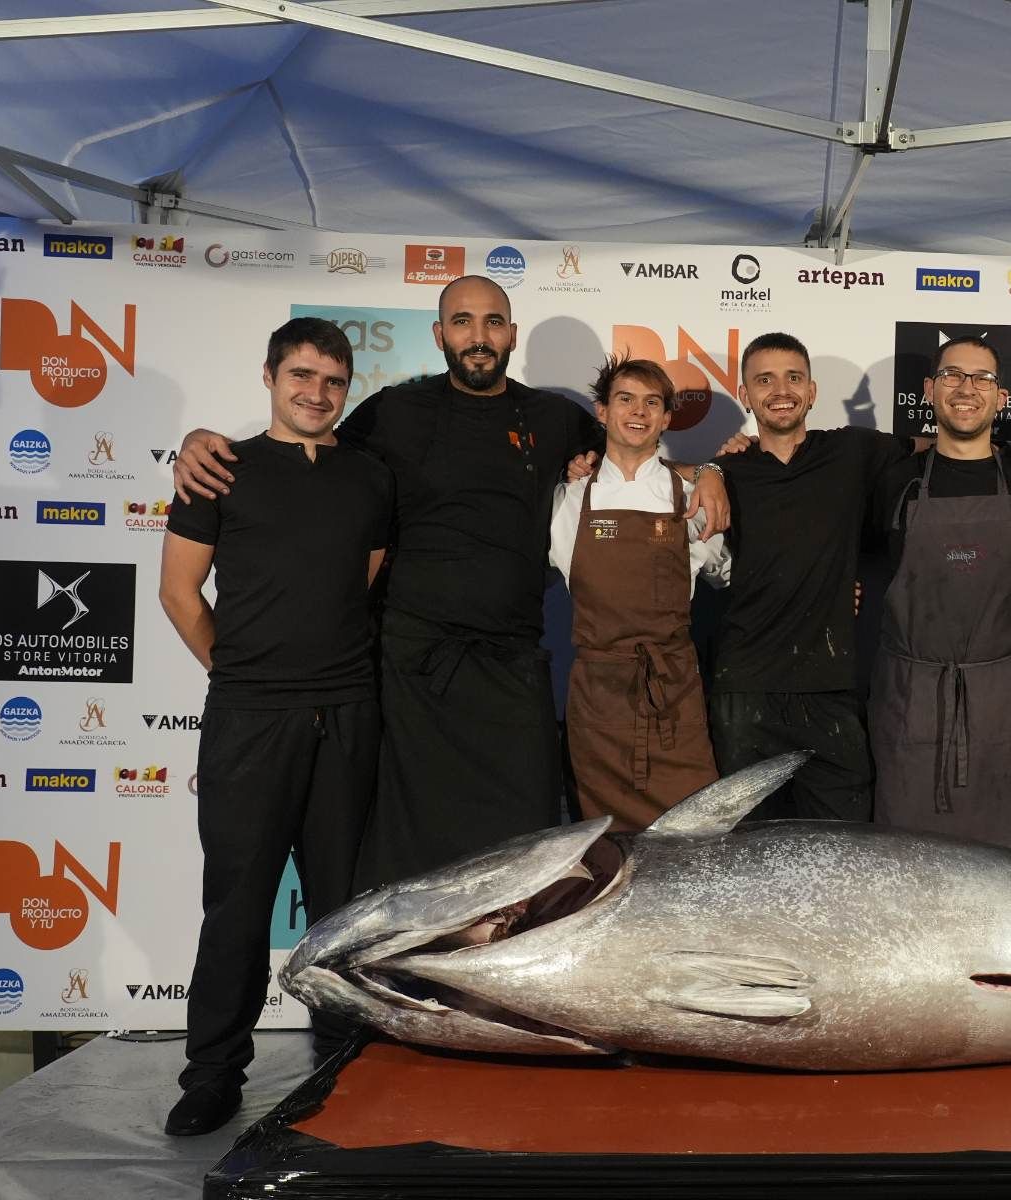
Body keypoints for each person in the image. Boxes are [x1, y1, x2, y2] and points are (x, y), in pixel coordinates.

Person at [171, 276, 729, 886]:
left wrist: (711, 472)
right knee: (412, 859)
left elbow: (635, 452)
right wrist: (200, 441)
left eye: (493, 323)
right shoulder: (391, 411)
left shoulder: (551, 416)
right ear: (440, 334)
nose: (479, 337)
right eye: (463, 322)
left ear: (510, 334)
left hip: (512, 662)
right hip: (411, 668)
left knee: (521, 860)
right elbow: (306, 449)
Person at [158, 318, 393, 1136]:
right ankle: (213, 1075)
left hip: (350, 713)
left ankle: (342, 1066)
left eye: (332, 381)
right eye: (301, 376)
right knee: (237, 905)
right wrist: (239, 675)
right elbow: (180, 595)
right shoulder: (219, 467)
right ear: (269, 377)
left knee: (341, 911)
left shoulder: (369, 477)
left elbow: (361, 581)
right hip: (249, 719)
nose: (316, 393)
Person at [696, 332, 1011, 822]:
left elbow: (944, 439)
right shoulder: (729, 469)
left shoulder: (855, 451)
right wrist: (708, 466)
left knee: (846, 850)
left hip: (834, 690)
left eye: (793, 378)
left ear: (812, 392)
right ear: (744, 394)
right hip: (743, 691)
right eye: (763, 380)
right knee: (749, 849)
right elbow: (660, 472)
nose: (780, 390)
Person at [867, 335, 1011, 849]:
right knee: (911, 871)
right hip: (910, 708)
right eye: (953, 375)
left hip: (1005, 711)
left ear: (1001, 397)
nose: (966, 388)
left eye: (982, 378)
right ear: (930, 390)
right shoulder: (894, 482)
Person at [549, 355, 729, 829]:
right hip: (598, 699)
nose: (638, 411)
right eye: (625, 399)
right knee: (604, 842)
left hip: (673, 693)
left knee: (693, 834)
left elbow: (724, 574)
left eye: (652, 403)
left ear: (667, 418)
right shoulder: (569, 500)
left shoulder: (691, 497)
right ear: (602, 411)